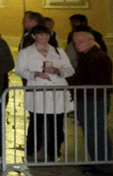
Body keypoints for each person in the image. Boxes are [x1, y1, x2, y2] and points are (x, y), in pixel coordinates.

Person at [15, 25, 74, 162]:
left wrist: (57, 71)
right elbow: (20, 70)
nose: (44, 37)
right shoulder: (26, 52)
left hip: (56, 90)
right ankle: (32, 149)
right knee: (36, 122)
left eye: (46, 35)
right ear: (34, 36)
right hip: (38, 90)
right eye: (40, 35)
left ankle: (54, 151)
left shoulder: (58, 51)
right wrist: (35, 74)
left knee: (56, 123)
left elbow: (69, 69)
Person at [67, 31, 113, 176]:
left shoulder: (98, 58)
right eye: (75, 43)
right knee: (91, 132)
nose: (77, 45)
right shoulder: (88, 56)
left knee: (97, 132)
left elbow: (100, 82)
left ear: (91, 41)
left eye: (80, 42)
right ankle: (97, 161)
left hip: (94, 100)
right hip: (88, 98)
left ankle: (104, 166)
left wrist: (75, 84)